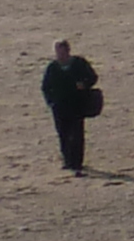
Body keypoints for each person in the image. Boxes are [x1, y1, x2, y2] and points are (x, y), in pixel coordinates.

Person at [40, 38, 102, 175]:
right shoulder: (52, 67)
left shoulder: (79, 63)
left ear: (68, 50)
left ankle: (77, 163)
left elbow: (92, 77)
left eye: (62, 51)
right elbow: (45, 87)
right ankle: (67, 161)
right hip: (59, 107)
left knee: (77, 134)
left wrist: (84, 84)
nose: (60, 54)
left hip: (77, 105)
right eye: (57, 51)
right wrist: (51, 102)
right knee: (63, 134)